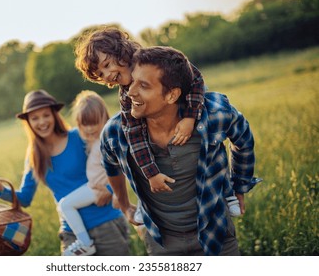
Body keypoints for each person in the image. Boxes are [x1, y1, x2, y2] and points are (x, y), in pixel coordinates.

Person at [100, 46, 262, 256]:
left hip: (216, 235)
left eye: (144, 85)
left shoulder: (214, 114)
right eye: (132, 81)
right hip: (162, 244)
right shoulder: (115, 132)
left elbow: (244, 140)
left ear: (172, 95)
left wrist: (239, 185)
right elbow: (110, 165)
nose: (130, 91)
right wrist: (124, 205)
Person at [74, 26, 241, 217]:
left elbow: (195, 79)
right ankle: (147, 206)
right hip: (161, 130)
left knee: (207, 142)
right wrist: (151, 173)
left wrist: (189, 117)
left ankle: (227, 191)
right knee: (145, 152)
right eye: (101, 75)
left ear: (121, 51)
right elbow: (134, 135)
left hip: (189, 108)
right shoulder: (126, 97)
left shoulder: (157, 60)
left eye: (106, 65)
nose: (107, 76)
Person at [0, 89, 130, 256]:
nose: (42, 122)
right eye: (35, 118)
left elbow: (112, 164)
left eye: (46, 115)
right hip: (72, 234)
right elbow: (24, 198)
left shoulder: (79, 137)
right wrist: (1, 188)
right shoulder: (34, 157)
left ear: (54, 115)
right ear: (28, 123)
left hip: (105, 223)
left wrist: (110, 190)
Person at [57, 90, 118, 256]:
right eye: (85, 124)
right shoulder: (92, 138)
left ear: (104, 119)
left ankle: (85, 243)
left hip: (98, 187)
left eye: (94, 123)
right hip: (93, 185)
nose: (90, 128)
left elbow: (120, 165)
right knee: (64, 205)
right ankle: (84, 242)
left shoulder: (105, 141)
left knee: (65, 205)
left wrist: (113, 190)